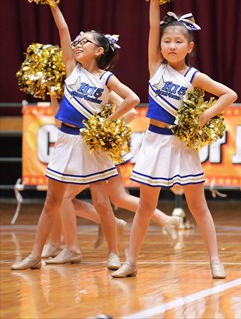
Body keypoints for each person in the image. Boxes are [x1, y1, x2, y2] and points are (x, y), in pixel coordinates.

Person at [112, 0, 237, 278]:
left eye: (178, 41)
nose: (171, 45)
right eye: (167, 41)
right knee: (145, 206)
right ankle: (131, 262)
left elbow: (229, 94)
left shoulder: (195, 77)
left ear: (189, 46)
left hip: (181, 145)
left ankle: (215, 261)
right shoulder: (155, 67)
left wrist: (206, 115)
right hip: (154, 142)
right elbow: (153, 26)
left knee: (197, 205)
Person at [12, 3, 140, 270]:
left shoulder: (106, 78)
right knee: (52, 202)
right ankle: (35, 256)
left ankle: (114, 253)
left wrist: (106, 121)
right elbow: (63, 28)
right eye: (78, 41)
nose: (79, 44)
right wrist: (53, 4)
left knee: (102, 203)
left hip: (90, 146)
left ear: (99, 51)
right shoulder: (71, 68)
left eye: (86, 42)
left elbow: (133, 99)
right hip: (65, 141)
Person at [41, 93, 181, 261]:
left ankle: (66, 243)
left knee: (64, 197)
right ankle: (165, 219)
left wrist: (103, 131)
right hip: (85, 151)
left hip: (96, 153)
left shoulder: (98, 84)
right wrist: (53, 96)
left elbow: (131, 113)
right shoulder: (69, 88)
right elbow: (59, 121)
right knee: (117, 197)